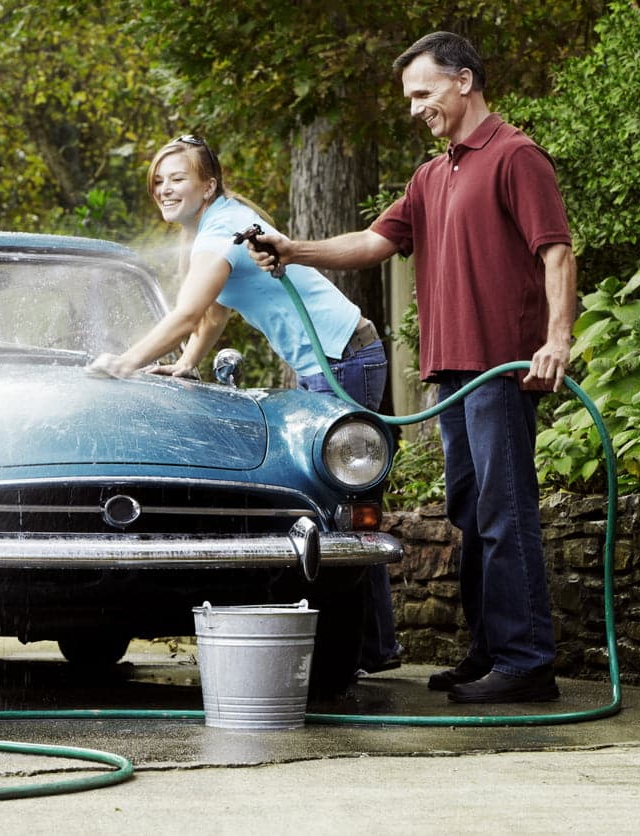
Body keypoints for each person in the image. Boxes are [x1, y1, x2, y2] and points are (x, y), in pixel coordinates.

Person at [247, 32, 577, 704]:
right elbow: (373, 243)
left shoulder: (516, 156)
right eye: (409, 98)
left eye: (422, 94)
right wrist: (293, 248)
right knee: (471, 510)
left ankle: (527, 661)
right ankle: (490, 650)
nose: (413, 108)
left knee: (505, 512)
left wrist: (557, 339)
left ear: (463, 81)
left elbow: (557, 252)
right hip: (452, 371)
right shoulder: (432, 176)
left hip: (502, 368)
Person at [88, 134, 403, 676]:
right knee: (336, 504)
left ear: (208, 185)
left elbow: (188, 313)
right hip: (336, 357)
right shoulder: (210, 231)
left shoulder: (224, 231)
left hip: (344, 358)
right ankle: (372, 649)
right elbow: (210, 315)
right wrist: (188, 363)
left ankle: (369, 649)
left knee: (340, 504)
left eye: (177, 178)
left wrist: (127, 361)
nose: (165, 188)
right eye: (158, 180)